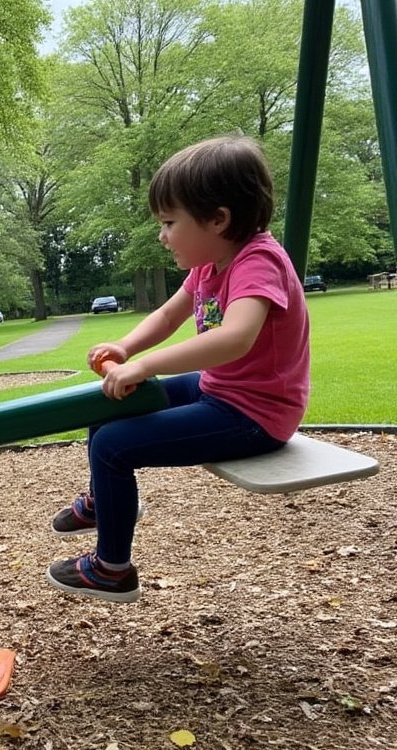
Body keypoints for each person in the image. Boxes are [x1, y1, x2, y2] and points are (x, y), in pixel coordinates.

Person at [46, 135, 310, 603]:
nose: (162, 235)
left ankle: (111, 569)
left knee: (111, 445)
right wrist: (124, 348)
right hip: (222, 392)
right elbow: (169, 316)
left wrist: (145, 365)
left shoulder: (259, 262)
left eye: (169, 222)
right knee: (105, 405)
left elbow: (235, 338)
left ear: (218, 219)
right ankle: (103, 500)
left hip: (257, 416)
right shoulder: (211, 264)